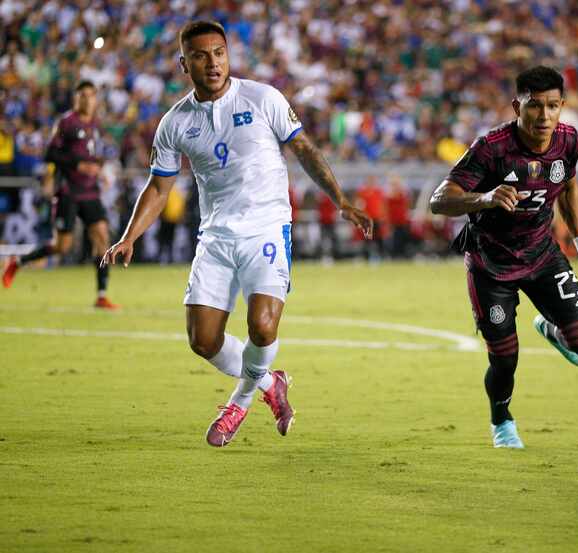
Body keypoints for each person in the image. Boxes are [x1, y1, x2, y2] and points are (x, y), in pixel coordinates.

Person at [101, 21, 372, 447]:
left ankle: (239, 403)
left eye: (219, 53)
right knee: (202, 340)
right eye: (201, 55)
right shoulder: (175, 123)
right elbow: (158, 186)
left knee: (263, 327)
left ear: (228, 55)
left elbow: (304, 150)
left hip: (266, 228)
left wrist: (341, 200)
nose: (212, 63)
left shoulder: (263, 98)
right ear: (183, 63)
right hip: (216, 237)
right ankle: (270, 382)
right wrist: (129, 236)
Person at [429, 66, 578, 449]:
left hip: (542, 254)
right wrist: (485, 197)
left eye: (552, 106)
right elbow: (438, 200)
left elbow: (568, 187)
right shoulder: (491, 148)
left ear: (562, 106)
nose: (543, 116)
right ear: (517, 106)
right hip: (491, 267)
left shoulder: (569, 142)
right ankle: (502, 421)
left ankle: (550, 327)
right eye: (534, 106)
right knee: (505, 360)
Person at [3, 81, 119, 309]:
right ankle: (17, 261)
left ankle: (101, 295)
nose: (87, 99)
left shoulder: (95, 124)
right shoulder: (66, 122)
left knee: (102, 237)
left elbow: (91, 155)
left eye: (91, 95)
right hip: (68, 191)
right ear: (76, 98)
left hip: (90, 192)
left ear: (96, 99)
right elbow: (50, 153)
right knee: (61, 246)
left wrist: (100, 170)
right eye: (82, 95)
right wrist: (80, 166)